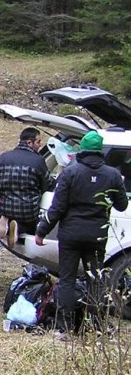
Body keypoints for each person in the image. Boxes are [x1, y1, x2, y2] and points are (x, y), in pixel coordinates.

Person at [35, 130, 128, 335]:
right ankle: (95, 325)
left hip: (70, 235)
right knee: (95, 278)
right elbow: (122, 205)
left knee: (67, 279)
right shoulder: (113, 175)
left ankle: (64, 328)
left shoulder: (70, 172)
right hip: (97, 236)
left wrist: (41, 232)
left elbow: (57, 208)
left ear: (82, 150)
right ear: (100, 151)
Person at [0, 127, 49, 241]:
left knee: (9, 213)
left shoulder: (3, 157)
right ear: (29, 143)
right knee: (30, 225)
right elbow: (46, 184)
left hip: (6, 207)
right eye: (38, 142)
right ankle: (18, 229)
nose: (40, 145)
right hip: (29, 211)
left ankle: (6, 223)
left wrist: (2, 196)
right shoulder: (38, 161)